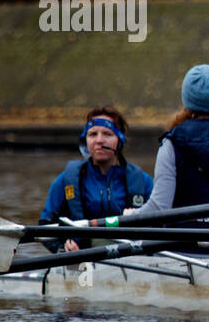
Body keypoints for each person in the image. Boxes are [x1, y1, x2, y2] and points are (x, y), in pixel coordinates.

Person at [128, 63, 209, 252]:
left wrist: (130, 216)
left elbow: (158, 208)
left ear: (187, 99)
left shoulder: (173, 142)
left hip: (183, 252)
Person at [39, 106, 153, 251]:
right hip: (82, 260)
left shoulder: (143, 182)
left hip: (133, 259)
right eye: (93, 134)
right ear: (85, 141)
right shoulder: (66, 181)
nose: (99, 141)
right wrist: (62, 248)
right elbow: (44, 227)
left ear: (120, 140)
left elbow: (162, 225)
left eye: (107, 134)